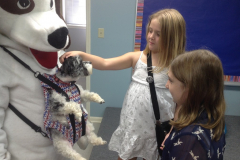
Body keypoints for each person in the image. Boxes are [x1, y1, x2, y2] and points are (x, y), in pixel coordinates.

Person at [60, 8, 186, 160]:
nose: (151, 36)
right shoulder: (137, 58)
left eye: (158, 34)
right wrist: (82, 55)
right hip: (133, 125)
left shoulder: (177, 66)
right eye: (150, 31)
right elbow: (105, 63)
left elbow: (181, 102)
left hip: (156, 129)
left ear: (172, 37)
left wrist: (174, 129)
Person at [162, 49, 226, 160]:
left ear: (191, 89)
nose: (166, 85)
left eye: (171, 81)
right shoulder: (211, 117)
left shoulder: (189, 143)